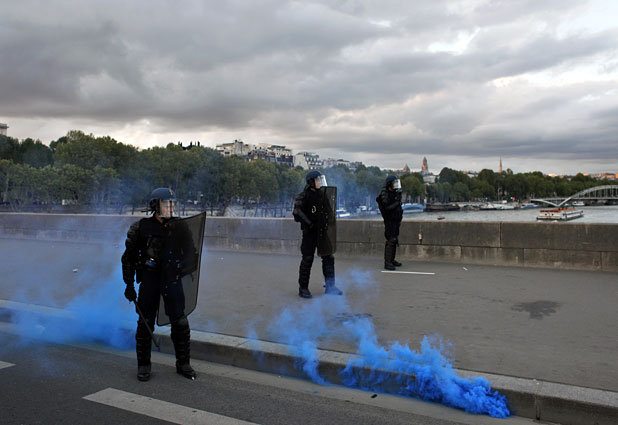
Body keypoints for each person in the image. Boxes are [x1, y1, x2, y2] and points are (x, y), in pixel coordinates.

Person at [121, 187, 197, 381]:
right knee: (145, 323)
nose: (170, 207)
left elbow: (191, 253)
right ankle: (144, 365)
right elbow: (128, 258)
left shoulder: (180, 226)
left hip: (172, 279)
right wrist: (129, 285)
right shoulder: (141, 227)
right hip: (150, 278)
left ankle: (183, 363)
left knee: (180, 322)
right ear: (155, 205)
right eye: (166, 204)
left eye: (172, 203)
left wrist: (181, 267)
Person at [293, 170, 342, 298]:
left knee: (328, 258)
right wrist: (309, 223)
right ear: (311, 182)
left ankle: (330, 286)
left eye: (320, 179)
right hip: (309, 233)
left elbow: (329, 211)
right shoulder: (304, 196)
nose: (320, 182)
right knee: (307, 260)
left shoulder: (323, 195)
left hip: (322, 232)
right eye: (317, 180)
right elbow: (297, 212)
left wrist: (328, 221)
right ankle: (303, 288)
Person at [377, 175, 403, 270]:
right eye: (394, 183)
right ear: (389, 184)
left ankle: (392, 260)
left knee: (395, 240)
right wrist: (397, 202)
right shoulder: (385, 194)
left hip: (395, 220)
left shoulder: (393, 192)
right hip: (389, 220)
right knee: (391, 240)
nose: (396, 185)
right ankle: (387, 263)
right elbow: (387, 208)